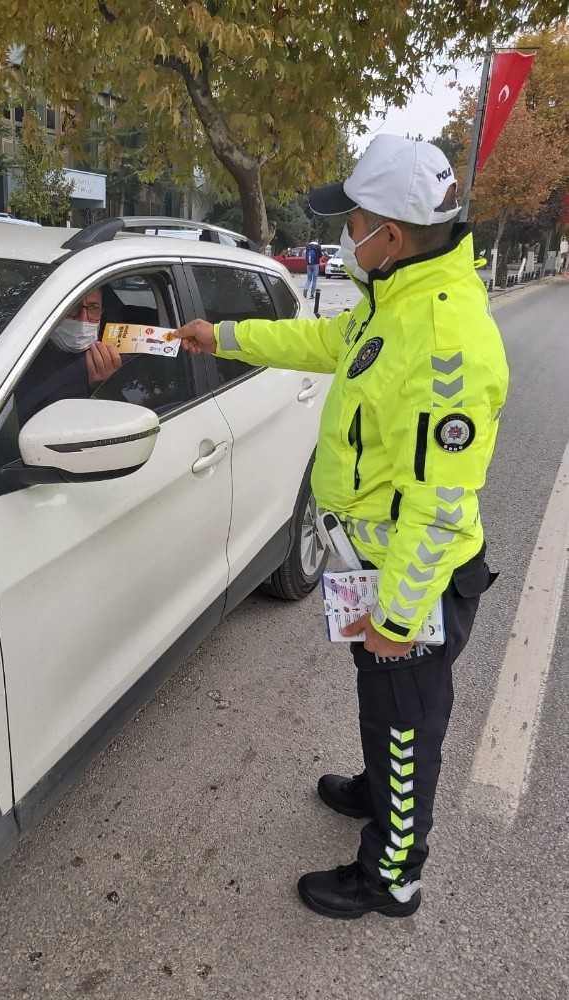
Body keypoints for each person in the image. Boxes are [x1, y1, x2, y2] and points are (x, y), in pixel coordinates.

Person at [175, 134, 509, 920]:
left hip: (412, 586)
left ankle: (393, 875)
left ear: (388, 234)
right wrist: (222, 337)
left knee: (408, 726)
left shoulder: (446, 341)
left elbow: (441, 506)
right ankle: (377, 791)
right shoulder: (393, 301)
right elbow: (323, 342)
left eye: (352, 218)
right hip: (375, 563)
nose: (342, 233)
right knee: (384, 707)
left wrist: (396, 619)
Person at [15, 286, 121, 423]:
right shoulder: (20, 354)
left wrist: (104, 388)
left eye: (93, 307)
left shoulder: (110, 361)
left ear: (102, 313)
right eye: (73, 306)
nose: (83, 319)